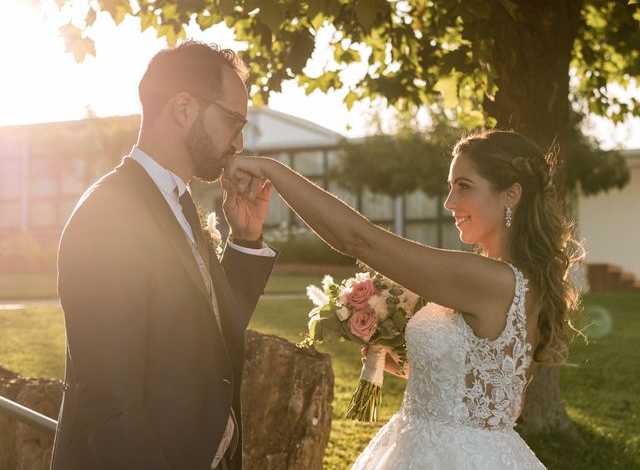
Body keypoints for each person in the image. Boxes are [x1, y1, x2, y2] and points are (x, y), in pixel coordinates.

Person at [223, 129, 583, 469]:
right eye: (450, 187)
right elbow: (503, 405)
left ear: (511, 194)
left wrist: (271, 170)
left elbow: (358, 240)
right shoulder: (519, 280)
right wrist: (421, 371)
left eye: (464, 186)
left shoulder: (492, 279)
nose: (449, 202)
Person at [51, 41, 278, 470]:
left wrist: (245, 240)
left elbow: (207, 328)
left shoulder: (179, 202)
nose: (239, 141)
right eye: (233, 120)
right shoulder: (108, 213)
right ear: (184, 108)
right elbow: (112, 404)